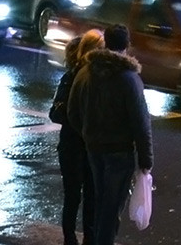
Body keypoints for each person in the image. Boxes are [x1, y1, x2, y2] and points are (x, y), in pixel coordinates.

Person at [74, 24, 153, 245]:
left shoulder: (86, 73)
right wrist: (146, 160)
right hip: (119, 152)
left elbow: (73, 110)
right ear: (127, 45)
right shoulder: (129, 79)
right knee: (111, 209)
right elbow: (141, 122)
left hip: (94, 149)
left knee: (100, 202)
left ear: (106, 42)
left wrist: (88, 133)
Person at [51, 29, 105, 245]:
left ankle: (86, 238)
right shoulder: (74, 76)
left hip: (87, 146)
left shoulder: (99, 76)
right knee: (75, 195)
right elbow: (56, 112)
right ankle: (71, 238)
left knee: (89, 195)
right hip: (74, 145)